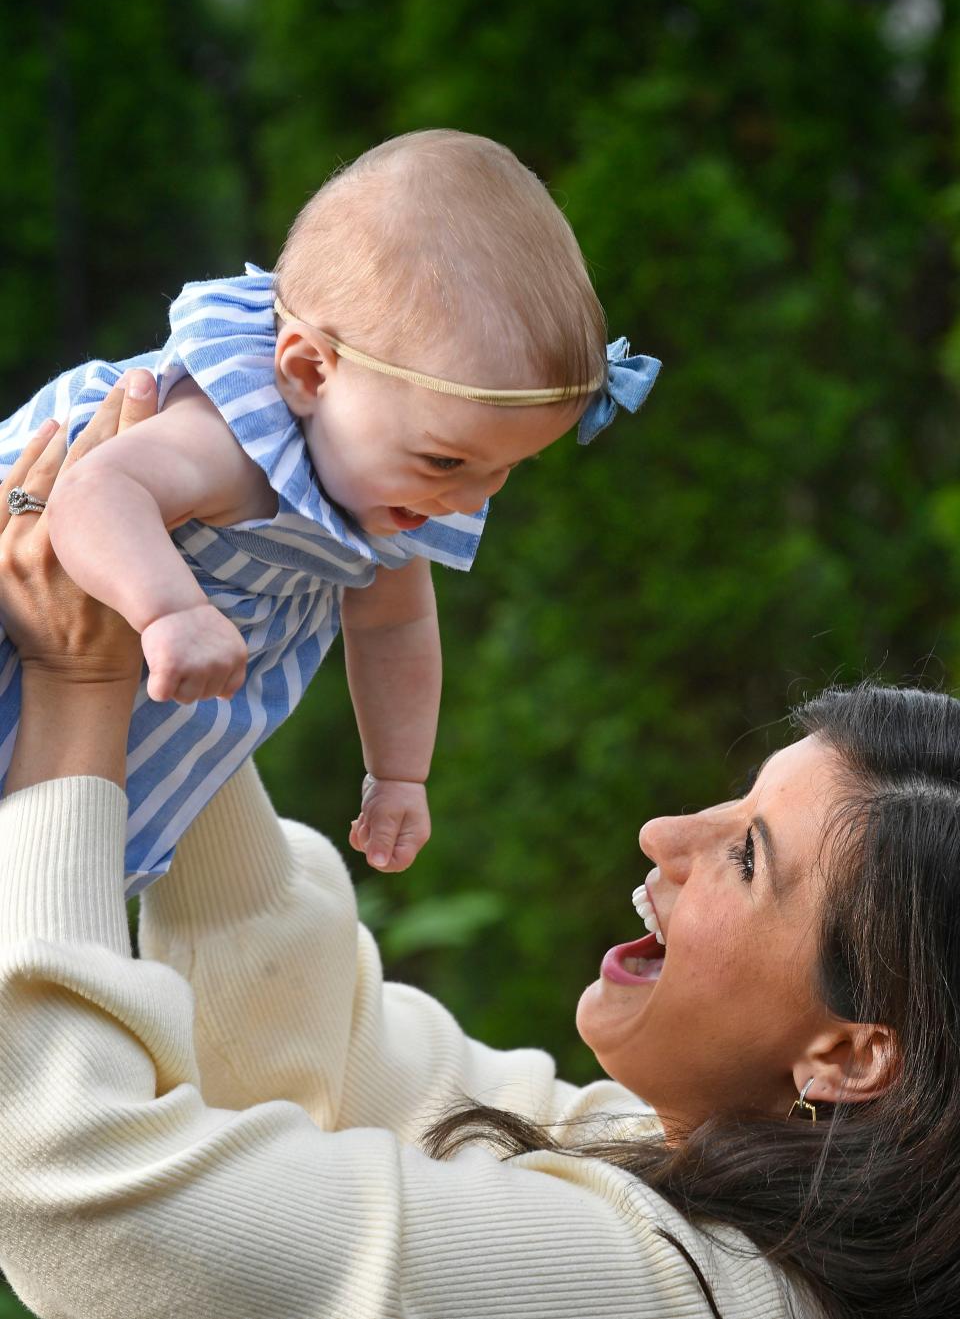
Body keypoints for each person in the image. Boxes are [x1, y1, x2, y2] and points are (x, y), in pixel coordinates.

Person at [1, 387, 955, 1319]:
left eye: (748, 858)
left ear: (851, 1054)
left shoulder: (670, 1287)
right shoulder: (681, 1160)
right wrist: (171, 638)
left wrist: (79, 684)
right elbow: (324, 1055)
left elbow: (91, 1191)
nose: (664, 835)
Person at [0, 129, 660, 894]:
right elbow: (95, 492)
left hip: (106, 723)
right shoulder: (229, 439)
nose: (472, 498)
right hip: (25, 639)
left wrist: (398, 774)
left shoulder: (385, 492)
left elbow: (395, 625)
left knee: (49, 886)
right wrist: (170, 610)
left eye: (507, 468)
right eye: (447, 460)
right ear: (309, 369)